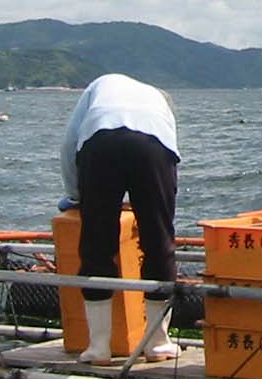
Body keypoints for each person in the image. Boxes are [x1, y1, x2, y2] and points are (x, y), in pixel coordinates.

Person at [59, 73, 180, 363]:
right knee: (158, 242)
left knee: (97, 246)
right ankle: (158, 343)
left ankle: (98, 346)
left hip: (101, 141)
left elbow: (68, 145)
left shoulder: (99, 85)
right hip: (154, 144)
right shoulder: (159, 105)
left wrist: (75, 196)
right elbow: (172, 158)